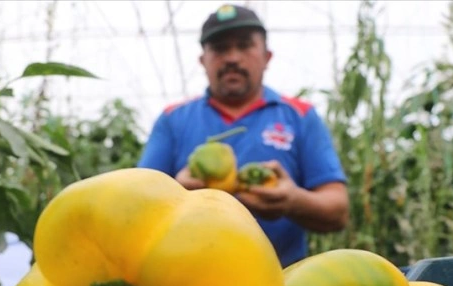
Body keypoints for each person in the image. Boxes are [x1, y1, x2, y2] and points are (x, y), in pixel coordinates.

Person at [137, 3, 349, 268]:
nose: (232, 58)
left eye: (244, 45)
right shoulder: (173, 119)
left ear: (267, 56)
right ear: (203, 60)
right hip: (186, 276)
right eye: (220, 48)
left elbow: (337, 210)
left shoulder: (300, 116)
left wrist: (293, 200)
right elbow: (139, 204)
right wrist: (178, 190)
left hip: (280, 276)